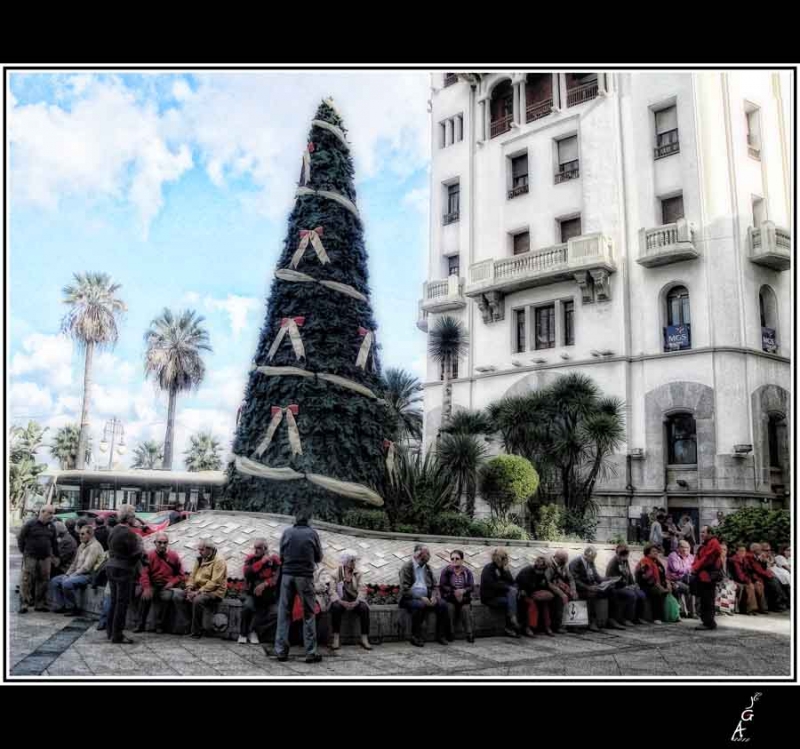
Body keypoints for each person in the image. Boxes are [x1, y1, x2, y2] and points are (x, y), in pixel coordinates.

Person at [274, 506, 323, 663]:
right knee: (308, 614)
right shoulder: (312, 533)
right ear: (309, 519)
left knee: (284, 613)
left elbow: (281, 555)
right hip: (305, 577)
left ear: (295, 519)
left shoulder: (287, 532)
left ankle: (281, 651)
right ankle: (310, 652)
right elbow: (319, 557)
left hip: (287, 575)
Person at [106, 504, 145, 644]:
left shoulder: (113, 530)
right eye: (134, 515)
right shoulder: (129, 533)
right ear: (128, 517)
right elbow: (134, 554)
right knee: (122, 603)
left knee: (114, 601)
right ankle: (117, 635)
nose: (135, 518)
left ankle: (110, 631)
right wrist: (141, 548)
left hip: (111, 566)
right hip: (123, 569)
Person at [399, 544, 450, 647]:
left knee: (443, 604)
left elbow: (434, 586)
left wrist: (434, 596)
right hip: (410, 598)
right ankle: (415, 636)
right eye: (425, 555)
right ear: (417, 555)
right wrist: (420, 598)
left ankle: (441, 635)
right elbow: (405, 590)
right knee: (419, 605)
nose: (427, 557)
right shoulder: (407, 567)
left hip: (427, 597)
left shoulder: (427, 568)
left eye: (428, 555)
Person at [175, 539, 227, 638]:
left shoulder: (219, 561)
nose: (199, 552)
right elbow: (192, 576)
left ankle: (196, 631)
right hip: (199, 589)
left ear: (210, 550)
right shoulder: (199, 559)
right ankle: (187, 626)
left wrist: (198, 592)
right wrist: (190, 588)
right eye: (199, 549)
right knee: (178, 596)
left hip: (214, 592)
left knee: (198, 600)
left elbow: (215, 583)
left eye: (202, 550)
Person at [49, 524, 104, 615]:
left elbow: (86, 567)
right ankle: (60, 605)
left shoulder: (95, 546)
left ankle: (73, 608)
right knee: (55, 581)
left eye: (83, 534)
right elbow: (74, 563)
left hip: (89, 575)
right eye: (79, 534)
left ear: (90, 535)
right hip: (78, 573)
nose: (80, 536)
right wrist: (67, 574)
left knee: (67, 583)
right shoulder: (82, 545)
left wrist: (71, 576)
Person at [136, 532, 184, 634]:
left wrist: (172, 582)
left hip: (166, 585)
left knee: (166, 598)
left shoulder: (173, 556)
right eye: (160, 542)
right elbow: (144, 573)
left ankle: (160, 625)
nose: (162, 545)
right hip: (152, 584)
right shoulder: (149, 555)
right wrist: (146, 587)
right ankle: (140, 624)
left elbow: (181, 575)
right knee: (145, 597)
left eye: (165, 542)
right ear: (155, 543)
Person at [238, 538, 281, 645]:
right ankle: (243, 633)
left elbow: (277, 577)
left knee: (276, 613)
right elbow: (247, 573)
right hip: (251, 594)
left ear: (265, 549)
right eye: (255, 548)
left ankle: (254, 631)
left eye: (259, 548)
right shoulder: (251, 559)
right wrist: (261, 562)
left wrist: (266, 583)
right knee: (248, 606)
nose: (256, 550)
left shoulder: (274, 560)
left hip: (268, 596)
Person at [17, 505, 59, 613]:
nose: (51, 516)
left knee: (43, 580)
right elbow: (21, 538)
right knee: (27, 580)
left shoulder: (51, 527)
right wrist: (24, 551)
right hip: (31, 556)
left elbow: (54, 542)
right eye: (49, 513)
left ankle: (39, 604)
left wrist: (56, 556)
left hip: (45, 558)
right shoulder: (30, 524)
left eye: (52, 513)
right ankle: (24, 604)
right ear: (42, 512)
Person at [329, 551, 372, 650]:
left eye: (354, 561)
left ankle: (364, 638)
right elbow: (332, 590)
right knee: (335, 607)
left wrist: (357, 601)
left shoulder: (358, 573)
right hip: (340, 600)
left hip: (354, 600)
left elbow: (362, 589)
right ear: (345, 562)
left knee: (364, 608)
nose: (353, 563)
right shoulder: (335, 573)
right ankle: (336, 638)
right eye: (351, 561)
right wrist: (340, 601)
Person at [570, 545, 619, 631]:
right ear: (586, 555)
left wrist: (609, 580)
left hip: (592, 586)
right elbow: (575, 580)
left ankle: (612, 619)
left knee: (612, 590)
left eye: (594, 558)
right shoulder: (575, 563)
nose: (593, 560)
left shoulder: (591, 562)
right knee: (591, 594)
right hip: (581, 589)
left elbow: (597, 577)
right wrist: (588, 587)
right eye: (592, 558)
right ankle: (592, 621)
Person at [480, 547, 520, 638]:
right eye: (504, 558)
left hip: (501, 596)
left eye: (506, 558)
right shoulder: (489, 568)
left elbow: (512, 582)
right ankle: (511, 623)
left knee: (512, 596)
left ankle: (511, 623)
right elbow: (492, 584)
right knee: (511, 600)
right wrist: (508, 587)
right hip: (490, 598)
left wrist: (506, 572)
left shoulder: (504, 569)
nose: (506, 560)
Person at [438, 549, 475, 643]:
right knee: (449, 608)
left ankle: (469, 634)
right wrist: (454, 592)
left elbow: (471, 587)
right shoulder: (446, 571)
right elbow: (443, 585)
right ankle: (450, 633)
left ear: (462, 560)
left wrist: (463, 591)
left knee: (466, 610)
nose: (454, 560)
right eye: (452, 558)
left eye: (457, 558)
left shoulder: (467, 572)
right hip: (450, 598)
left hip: (464, 599)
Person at [606, 543, 646, 625]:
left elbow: (629, 574)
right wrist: (627, 586)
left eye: (626, 551)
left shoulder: (625, 561)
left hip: (626, 586)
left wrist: (634, 584)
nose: (626, 554)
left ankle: (637, 617)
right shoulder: (614, 563)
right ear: (617, 552)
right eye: (623, 551)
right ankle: (626, 619)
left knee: (641, 594)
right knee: (632, 595)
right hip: (617, 587)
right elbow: (613, 579)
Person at [691, 525, 723, 630]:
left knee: (708, 599)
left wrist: (695, 568)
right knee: (705, 599)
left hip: (708, 576)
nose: (701, 534)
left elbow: (707, 559)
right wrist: (694, 567)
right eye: (701, 532)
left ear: (710, 533)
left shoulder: (713, 543)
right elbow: (698, 557)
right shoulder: (705, 544)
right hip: (703, 575)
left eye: (703, 532)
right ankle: (707, 621)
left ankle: (708, 622)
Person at [516, 556, 556, 637]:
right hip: (524, 593)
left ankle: (547, 626)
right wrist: (536, 592)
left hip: (534, 593)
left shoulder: (542, 572)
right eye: (542, 568)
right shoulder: (527, 571)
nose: (543, 570)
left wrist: (543, 591)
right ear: (537, 565)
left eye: (544, 568)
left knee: (545, 604)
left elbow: (544, 585)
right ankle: (528, 627)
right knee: (531, 604)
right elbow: (524, 587)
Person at [636, 542, 672, 623]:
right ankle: (657, 617)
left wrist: (668, 584)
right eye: (653, 551)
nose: (656, 553)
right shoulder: (645, 562)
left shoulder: (656, 561)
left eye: (656, 551)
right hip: (646, 586)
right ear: (648, 553)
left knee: (674, 589)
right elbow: (647, 579)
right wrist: (661, 588)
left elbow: (663, 575)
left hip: (658, 584)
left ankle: (671, 615)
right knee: (657, 592)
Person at [746, 543, 788, 612]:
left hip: (761, 576)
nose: (761, 551)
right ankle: (776, 605)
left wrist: (764, 562)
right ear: (754, 550)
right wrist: (769, 575)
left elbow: (763, 568)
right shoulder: (750, 556)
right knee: (774, 582)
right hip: (756, 577)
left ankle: (780, 604)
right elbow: (758, 570)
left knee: (777, 581)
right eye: (760, 549)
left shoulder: (758, 556)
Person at [546, 549, 578, 633]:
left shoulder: (564, 566)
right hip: (551, 589)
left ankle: (572, 624)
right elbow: (548, 582)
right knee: (560, 599)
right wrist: (561, 593)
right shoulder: (549, 565)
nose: (564, 561)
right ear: (557, 557)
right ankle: (558, 626)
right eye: (562, 559)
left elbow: (571, 578)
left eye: (565, 559)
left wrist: (573, 590)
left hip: (561, 587)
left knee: (574, 597)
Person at [729, 545, 763, 614]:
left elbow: (751, 572)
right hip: (736, 580)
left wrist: (756, 580)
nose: (743, 552)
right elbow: (739, 575)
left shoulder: (745, 560)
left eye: (744, 551)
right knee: (749, 587)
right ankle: (749, 609)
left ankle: (762, 608)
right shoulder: (734, 560)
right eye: (741, 551)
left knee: (759, 585)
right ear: (737, 552)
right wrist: (749, 582)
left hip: (745, 579)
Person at [666, 540, 696, 618]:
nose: (685, 549)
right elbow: (676, 569)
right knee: (687, 589)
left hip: (687, 579)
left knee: (695, 587)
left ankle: (692, 612)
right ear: (678, 548)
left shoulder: (691, 556)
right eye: (683, 547)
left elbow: (695, 567)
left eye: (687, 547)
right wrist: (689, 568)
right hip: (674, 580)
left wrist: (687, 569)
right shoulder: (673, 555)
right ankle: (689, 612)